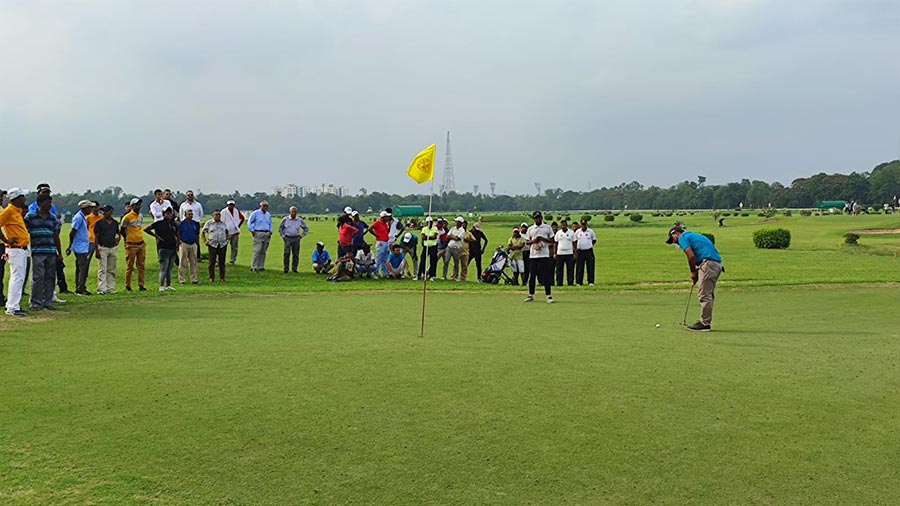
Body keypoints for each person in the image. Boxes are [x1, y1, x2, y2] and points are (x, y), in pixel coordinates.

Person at [666, 224, 724, 331]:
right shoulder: (694, 235)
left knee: (704, 294)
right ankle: (705, 321)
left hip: (708, 264)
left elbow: (691, 256)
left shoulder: (683, 237)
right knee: (707, 294)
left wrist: (693, 272)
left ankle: (705, 324)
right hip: (716, 265)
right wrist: (697, 270)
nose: (675, 242)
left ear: (676, 233)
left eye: (673, 239)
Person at [24, 193, 62, 311]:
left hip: (50, 250)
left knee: (50, 276)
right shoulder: (30, 217)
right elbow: (25, 231)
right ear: (40, 203)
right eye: (47, 203)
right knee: (38, 277)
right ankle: (35, 302)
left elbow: (56, 235)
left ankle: (47, 301)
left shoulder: (52, 217)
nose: (50, 205)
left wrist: (59, 253)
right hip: (37, 250)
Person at [0, 188, 30, 316]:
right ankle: (12, 307)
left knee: (19, 277)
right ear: (17, 198)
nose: (24, 199)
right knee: (17, 278)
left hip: (21, 249)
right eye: (23, 196)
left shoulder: (17, 211)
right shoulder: (9, 211)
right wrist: (6, 239)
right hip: (15, 249)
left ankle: (13, 305)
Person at [145, 207, 179, 291]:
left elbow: (177, 234)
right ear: (164, 215)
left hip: (172, 247)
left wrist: (178, 243)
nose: (169, 215)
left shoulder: (173, 224)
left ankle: (168, 285)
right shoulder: (159, 223)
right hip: (163, 247)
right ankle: (161, 285)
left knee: (170, 268)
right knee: (164, 267)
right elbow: (146, 229)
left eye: (170, 213)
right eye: (167, 213)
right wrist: (157, 237)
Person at [524, 211, 554, 303]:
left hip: (544, 255)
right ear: (533, 219)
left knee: (545, 276)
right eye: (536, 218)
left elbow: (552, 240)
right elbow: (527, 242)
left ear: (541, 218)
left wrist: (542, 239)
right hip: (533, 255)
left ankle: (548, 296)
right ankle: (531, 295)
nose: (537, 219)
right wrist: (534, 241)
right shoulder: (531, 229)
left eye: (539, 217)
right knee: (532, 276)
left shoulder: (547, 228)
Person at [68, 200, 95, 295]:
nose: (91, 209)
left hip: (83, 246)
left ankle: (79, 286)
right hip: (80, 247)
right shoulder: (79, 218)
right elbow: (72, 232)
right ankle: (81, 287)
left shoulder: (82, 217)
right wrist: (70, 245)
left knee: (80, 267)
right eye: (90, 207)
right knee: (83, 268)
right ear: (85, 208)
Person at [120, 198, 147, 292]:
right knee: (130, 266)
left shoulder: (140, 216)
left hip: (141, 243)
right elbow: (122, 230)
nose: (138, 206)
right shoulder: (127, 217)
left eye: (139, 204)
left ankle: (141, 285)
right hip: (131, 245)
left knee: (141, 265)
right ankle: (127, 285)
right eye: (136, 205)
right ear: (132, 206)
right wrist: (128, 239)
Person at [94, 205, 120, 294]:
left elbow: (117, 233)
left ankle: (110, 288)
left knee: (111, 269)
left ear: (111, 211)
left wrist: (118, 239)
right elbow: (96, 237)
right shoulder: (99, 223)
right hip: (103, 247)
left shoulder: (115, 223)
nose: (104, 213)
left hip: (112, 247)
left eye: (106, 211)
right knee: (102, 269)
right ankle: (101, 288)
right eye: (103, 211)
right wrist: (97, 250)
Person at [279, 206, 309, 273]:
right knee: (286, 253)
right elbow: (280, 228)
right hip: (287, 238)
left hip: (296, 238)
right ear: (290, 212)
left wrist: (302, 235)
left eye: (295, 212)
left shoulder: (299, 220)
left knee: (296, 254)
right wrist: (283, 236)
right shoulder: (285, 219)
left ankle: (294, 269)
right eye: (292, 212)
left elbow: (306, 228)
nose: (294, 213)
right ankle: (286, 268)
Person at [202, 209, 229, 283]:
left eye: (219, 215)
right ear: (213, 215)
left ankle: (222, 277)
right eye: (216, 214)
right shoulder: (209, 223)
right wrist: (205, 241)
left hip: (222, 244)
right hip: (212, 244)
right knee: (211, 262)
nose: (218, 216)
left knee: (222, 262)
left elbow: (227, 231)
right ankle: (211, 278)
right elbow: (203, 232)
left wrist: (227, 240)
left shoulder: (223, 223)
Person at [177, 209, 201, 284]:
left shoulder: (195, 223)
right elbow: (178, 233)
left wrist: (197, 242)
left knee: (193, 262)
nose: (191, 215)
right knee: (182, 262)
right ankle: (182, 279)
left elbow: (197, 233)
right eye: (189, 214)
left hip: (193, 243)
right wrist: (178, 242)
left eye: (191, 214)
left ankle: (194, 279)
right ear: (185, 215)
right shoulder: (182, 224)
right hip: (184, 243)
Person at [248, 201, 273, 272]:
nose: (265, 207)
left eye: (266, 206)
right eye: (263, 206)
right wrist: (252, 230)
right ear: (260, 206)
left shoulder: (268, 214)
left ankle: (261, 266)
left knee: (263, 251)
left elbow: (270, 223)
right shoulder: (255, 213)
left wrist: (271, 231)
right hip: (258, 232)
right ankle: (254, 266)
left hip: (266, 233)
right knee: (257, 250)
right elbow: (250, 222)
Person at [366, 211, 391, 278]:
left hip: (386, 241)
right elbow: (369, 229)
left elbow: (387, 231)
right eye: (386, 217)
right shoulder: (377, 223)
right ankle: (376, 273)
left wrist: (389, 225)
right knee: (379, 258)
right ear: (382, 217)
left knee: (385, 258)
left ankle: (384, 273)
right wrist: (376, 235)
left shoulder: (385, 224)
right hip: (381, 242)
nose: (387, 218)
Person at [574, 220, 597, 286]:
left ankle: (591, 282)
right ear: (581, 224)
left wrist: (589, 245)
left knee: (590, 266)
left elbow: (594, 240)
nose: (584, 225)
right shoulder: (578, 232)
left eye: (585, 224)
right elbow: (575, 241)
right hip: (580, 251)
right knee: (579, 267)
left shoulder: (590, 231)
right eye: (582, 224)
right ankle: (579, 282)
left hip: (589, 250)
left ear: (586, 224)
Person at [222, 199, 244, 265]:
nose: (231, 206)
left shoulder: (236, 211)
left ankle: (232, 260)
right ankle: (220, 260)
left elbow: (242, 218)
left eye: (232, 205)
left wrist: (238, 226)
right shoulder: (224, 211)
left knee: (234, 247)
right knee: (223, 246)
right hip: (226, 231)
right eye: (230, 205)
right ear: (227, 205)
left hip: (235, 232)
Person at [554, 219, 576, 286]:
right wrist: (554, 253)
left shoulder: (571, 233)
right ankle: (559, 283)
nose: (563, 226)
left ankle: (570, 283)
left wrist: (575, 253)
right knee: (559, 270)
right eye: (562, 225)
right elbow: (555, 243)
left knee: (570, 269)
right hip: (560, 253)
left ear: (566, 225)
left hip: (569, 253)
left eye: (564, 225)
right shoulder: (558, 233)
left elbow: (574, 243)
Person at [416, 216, 439, 281]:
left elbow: (434, 237)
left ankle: (432, 275)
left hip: (433, 246)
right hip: (426, 246)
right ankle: (420, 275)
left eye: (430, 222)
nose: (429, 223)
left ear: (432, 222)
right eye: (428, 222)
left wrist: (427, 236)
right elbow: (423, 237)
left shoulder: (435, 228)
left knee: (433, 261)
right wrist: (429, 237)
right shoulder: (424, 229)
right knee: (422, 260)